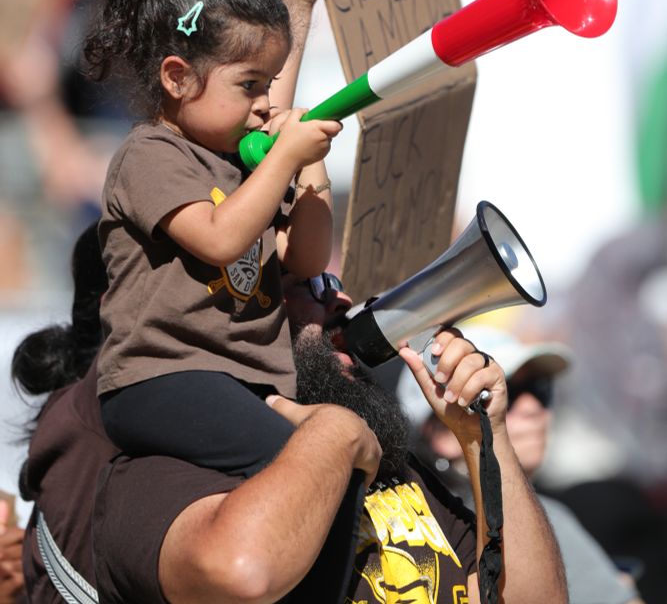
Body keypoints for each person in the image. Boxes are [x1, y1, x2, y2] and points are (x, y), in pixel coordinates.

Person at [15, 242, 567, 604]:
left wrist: (483, 442)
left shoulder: (378, 446)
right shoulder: (160, 465)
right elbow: (242, 570)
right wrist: (334, 435)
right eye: (306, 286)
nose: (341, 300)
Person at [80, 0, 343, 479]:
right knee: (309, 471)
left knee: (345, 462)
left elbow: (303, 256)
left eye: (271, 83)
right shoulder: (149, 154)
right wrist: (283, 162)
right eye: (250, 84)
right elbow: (221, 239)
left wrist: (310, 169)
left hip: (246, 378)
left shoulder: (243, 166)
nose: (265, 104)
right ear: (177, 76)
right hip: (165, 378)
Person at [398, 325, 645, 604]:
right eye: (508, 393)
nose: (533, 407)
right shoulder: (548, 523)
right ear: (441, 433)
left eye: (539, 389)